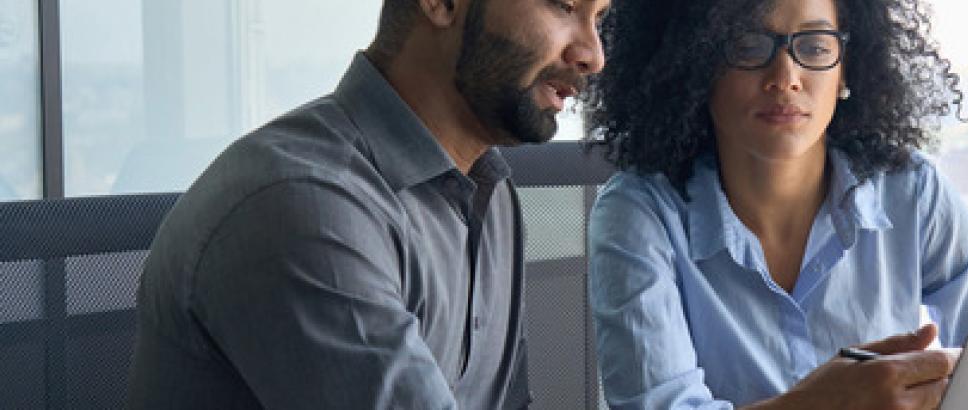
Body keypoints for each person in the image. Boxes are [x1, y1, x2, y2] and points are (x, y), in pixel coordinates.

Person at [126, 0, 608, 408]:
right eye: (565, 5)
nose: (594, 54)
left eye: (599, 17)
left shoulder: (489, 190)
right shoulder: (303, 202)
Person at [584, 0, 968, 407]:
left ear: (846, 69)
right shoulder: (638, 214)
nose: (786, 78)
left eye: (814, 46)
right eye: (747, 44)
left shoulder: (911, 190)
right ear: (697, 62)